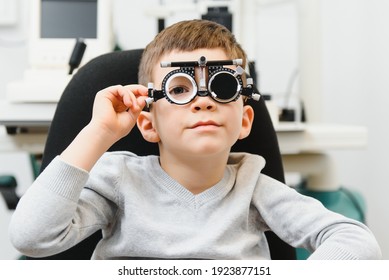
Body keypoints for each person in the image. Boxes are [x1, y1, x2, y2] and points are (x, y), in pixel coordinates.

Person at [9, 19, 381, 260]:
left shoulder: (253, 188)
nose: (203, 100)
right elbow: (31, 237)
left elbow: (355, 240)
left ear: (245, 120)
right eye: (181, 88)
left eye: (221, 86)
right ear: (148, 125)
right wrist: (99, 133)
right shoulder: (120, 181)